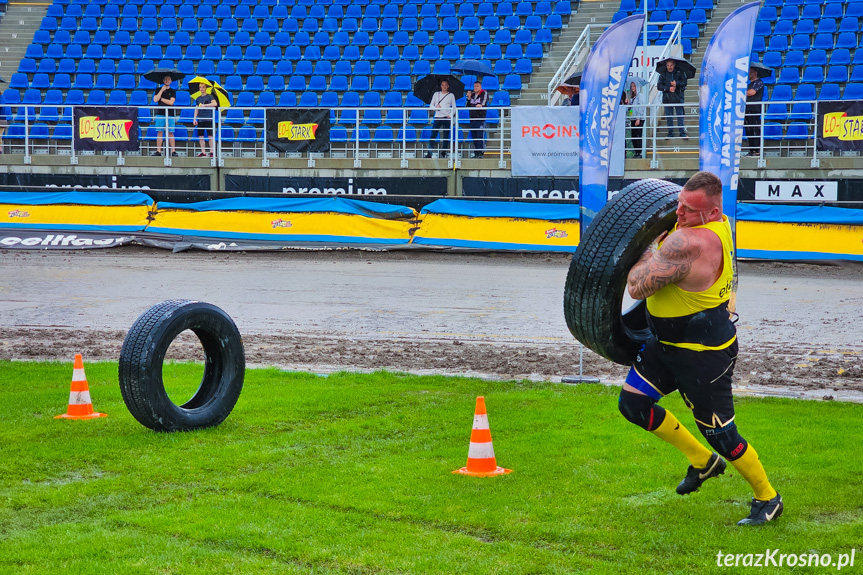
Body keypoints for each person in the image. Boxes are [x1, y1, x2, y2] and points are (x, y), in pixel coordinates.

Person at [622, 171, 782, 526]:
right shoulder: (722, 225)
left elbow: (635, 286)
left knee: (723, 435)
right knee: (633, 404)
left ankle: (768, 498)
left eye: (688, 210)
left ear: (711, 213)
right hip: (665, 343)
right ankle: (703, 462)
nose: (678, 213)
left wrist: (648, 248)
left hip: (703, 354)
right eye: (679, 203)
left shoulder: (687, 244)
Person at [656, 60, 688, 138]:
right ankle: (670, 133)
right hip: (667, 99)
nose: (669, 67)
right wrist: (668, 88)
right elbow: (659, 86)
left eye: (671, 65)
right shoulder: (663, 74)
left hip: (678, 98)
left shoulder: (680, 72)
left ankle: (682, 133)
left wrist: (676, 84)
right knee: (669, 117)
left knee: (680, 116)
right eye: (668, 65)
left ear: (674, 65)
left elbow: (684, 83)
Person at [426, 80, 456, 159]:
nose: (444, 86)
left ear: (448, 86)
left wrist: (450, 114)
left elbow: (454, 107)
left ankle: (444, 152)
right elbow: (431, 105)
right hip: (437, 117)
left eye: (445, 85)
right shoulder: (436, 94)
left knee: (446, 135)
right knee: (433, 135)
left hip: (446, 117)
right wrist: (436, 108)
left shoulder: (451, 95)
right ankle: (429, 153)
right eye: (443, 85)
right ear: (441, 86)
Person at [152, 75, 177, 157]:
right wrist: (161, 91)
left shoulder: (173, 91)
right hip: (160, 114)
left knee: (171, 133)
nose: (167, 81)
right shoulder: (158, 89)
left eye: (169, 79)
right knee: (159, 132)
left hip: (170, 114)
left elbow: (171, 103)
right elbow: (155, 99)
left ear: (171, 81)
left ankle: (173, 151)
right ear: (163, 80)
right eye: (165, 79)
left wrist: (161, 99)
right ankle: (158, 151)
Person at [744, 67, 765, 157]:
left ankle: (757, 150)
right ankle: (752, 150)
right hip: (747, 109)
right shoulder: (749, 84)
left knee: (754, 129)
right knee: (749, 130)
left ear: (755, 73)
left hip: (754, 109)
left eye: (751, 72)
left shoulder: (759, 82)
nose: (749, 74)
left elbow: (751, 92)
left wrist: (741, 92)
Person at [465, 80, 488, 158]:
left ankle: (481, 152)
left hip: (480, 118)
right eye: (475, 86)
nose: (476, 87)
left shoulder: (484, 93)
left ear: (480, 87)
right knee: (474, 136)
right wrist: (468, 98)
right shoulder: (472, 95)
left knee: (480, 136)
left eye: (477, 86)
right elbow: (467, 106)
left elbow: (482, 104)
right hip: (472, 118)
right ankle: (476, 152)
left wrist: (479, 105)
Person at [193, 84, 217, 157]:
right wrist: (194, 118)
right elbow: (196, 108)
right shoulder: (198, 98)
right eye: (200, 87)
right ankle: (203, 152)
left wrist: (205, 105)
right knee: (201, 136)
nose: (202, 89)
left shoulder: (210, 96)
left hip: (209, 119)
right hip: (201, 119)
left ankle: (211, 152)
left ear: (206, 88)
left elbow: (215, 103)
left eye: (203, 87)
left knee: (210, 136)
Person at [628, 81, 646, 159]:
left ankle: (639, 152)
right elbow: (631, 110)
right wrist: (629, 107)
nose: (632, 88)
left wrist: (638, 118)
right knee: (633, 136)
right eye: (631, 86)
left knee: (638, 135)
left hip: (639, 119)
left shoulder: (640, 96)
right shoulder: (632, 98)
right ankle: (636, 152)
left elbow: (641, 107)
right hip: (633, 118)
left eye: (634, 86)